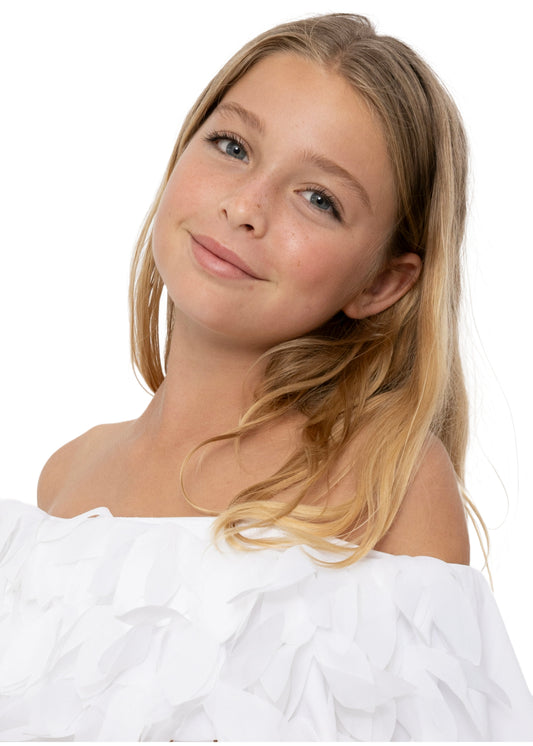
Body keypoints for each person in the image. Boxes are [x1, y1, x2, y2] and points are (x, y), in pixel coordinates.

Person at [0, 12, 531, 741]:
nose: (245, 207)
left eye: (319, 199)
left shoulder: (382, 481)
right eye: (231, 146)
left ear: (380, 283)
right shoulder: (66, 477)